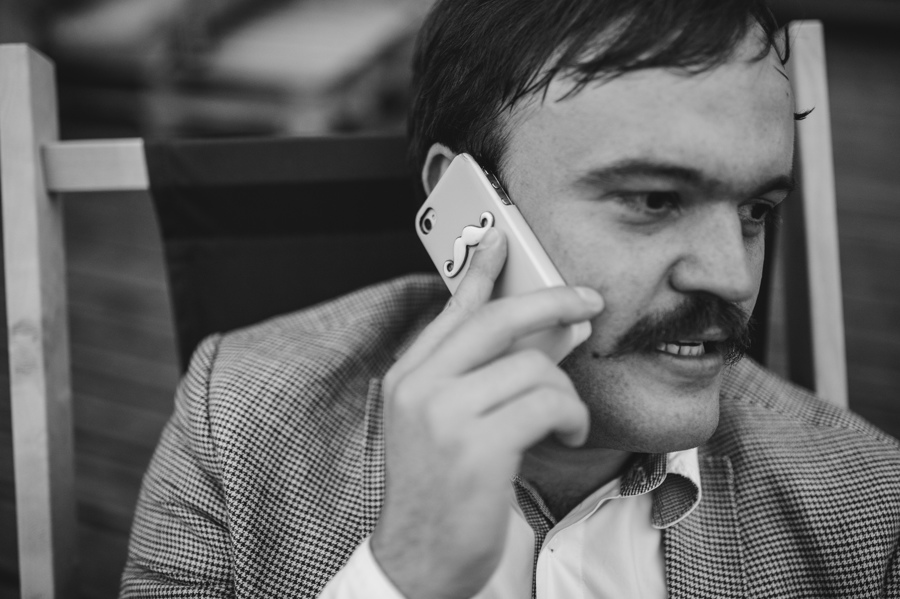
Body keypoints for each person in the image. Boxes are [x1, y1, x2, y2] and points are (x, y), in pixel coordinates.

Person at [120, 0, 900, 597]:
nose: (733, 277)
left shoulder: (867, 508)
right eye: (654, 200)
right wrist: (398, 577)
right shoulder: (237, 423)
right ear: (468, 208)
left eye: (756, 210)